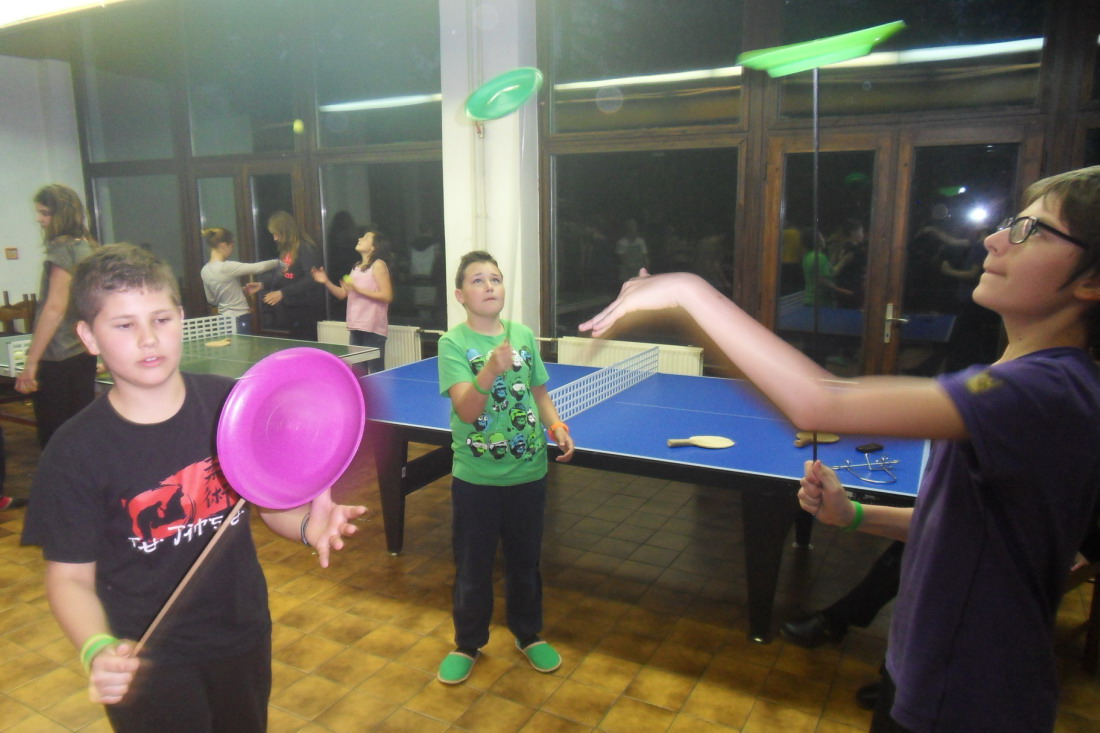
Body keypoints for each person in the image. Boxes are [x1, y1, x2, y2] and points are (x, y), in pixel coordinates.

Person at [581, 166, 1100, 732]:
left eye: (1032, 230)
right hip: (921, 670)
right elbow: (959, 524)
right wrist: (852, 514)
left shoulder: (1045, 390)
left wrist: (687, 290)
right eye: (1010, 223)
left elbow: (821, 404)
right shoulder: (1018, 378)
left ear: (1092, 281)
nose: (995, 239)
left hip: (971, 698)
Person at [20, 243, 366, 732]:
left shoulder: (231, 407)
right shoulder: (74, 451)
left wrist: (309, 523)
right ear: (88, 337)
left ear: (181, 319)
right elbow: (69, 578)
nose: (148, 339)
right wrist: (97, 648)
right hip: (145, 656)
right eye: (124, 325)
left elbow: (267, 506)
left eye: (160, 319)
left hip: (241, 634)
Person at [435, 250, 576, 685]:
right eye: (477, 280)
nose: (489, 286)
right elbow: (466, 409)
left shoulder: (524, 335)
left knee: (525, 563)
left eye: (494, 278)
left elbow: (539, 392)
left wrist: (556, 424)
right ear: (461, 295)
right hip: (475, 479)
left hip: (528, 474)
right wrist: (491, 370)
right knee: (472, 566)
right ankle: (467, 643)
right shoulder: (452, 343)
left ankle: (528, 634)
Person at [15, 184, 99, 447]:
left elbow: (54, 308)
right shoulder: (87, 247)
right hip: (82, 353)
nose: (39, 219)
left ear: (60, 215)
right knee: (79, 431)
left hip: (58, 357)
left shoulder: (62, 250)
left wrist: (31, 363)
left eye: (44, 213)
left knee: (55, 437)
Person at [311, 225, 392, 373]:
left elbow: (387, 296)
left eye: (366, 237)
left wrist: (358, 290)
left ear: (374, 247)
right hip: (356, 325)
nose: (360, 238)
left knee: (376, 371)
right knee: (358, 371)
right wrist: (326, 281)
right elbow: (343, 294)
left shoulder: (378, 265)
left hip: (372, 327)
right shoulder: (356, 267)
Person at [199, 227, 283, 334]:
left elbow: (211, 300)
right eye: (231, 246)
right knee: (243, 345)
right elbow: (258, 267)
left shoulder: (204, 270)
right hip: (238, 319)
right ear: (223, 245)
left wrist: (237, 292)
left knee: (229, 345)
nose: (232, 250)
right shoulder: (226, 267)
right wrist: (279, 263)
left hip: (223, 321)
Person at [262, 211, 325, 341]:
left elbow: (311, 279)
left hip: (307, 308)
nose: (274, 238)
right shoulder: (287, 249)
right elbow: (284, 274)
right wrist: (262, 284)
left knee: (305, 345)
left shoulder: (306, 248)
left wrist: (282, 293)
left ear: (285, 231)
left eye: (276, 234)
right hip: (291, 307)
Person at [615, 218, 648, 283]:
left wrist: (646, 270)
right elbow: (621, 259)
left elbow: (645, 257)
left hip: (639, 271)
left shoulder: (641, 241)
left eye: (635, 226)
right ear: (627, 229)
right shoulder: (621, 242)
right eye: (631, 227)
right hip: (626, 273)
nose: (634, 229)